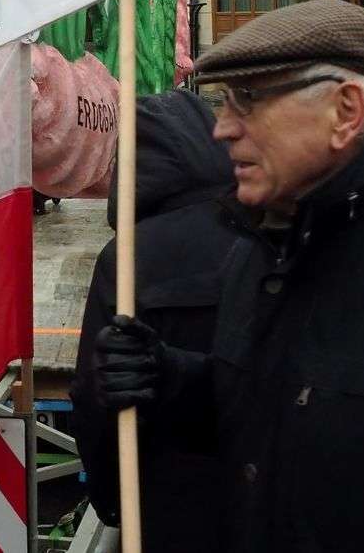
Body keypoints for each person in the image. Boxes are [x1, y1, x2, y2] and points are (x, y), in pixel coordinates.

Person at [94, 0, 364, 552]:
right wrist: (169, 378)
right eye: (223, 103)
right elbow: (265, 418)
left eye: (249, 101)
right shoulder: (263, 248)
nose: (222, 130)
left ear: (345, 111)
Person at [71, 91, 236, 551]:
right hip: (264, 490)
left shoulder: (127, 257)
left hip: (168, 499)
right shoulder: (265, 227)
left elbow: (96, 394)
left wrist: (110, 498)